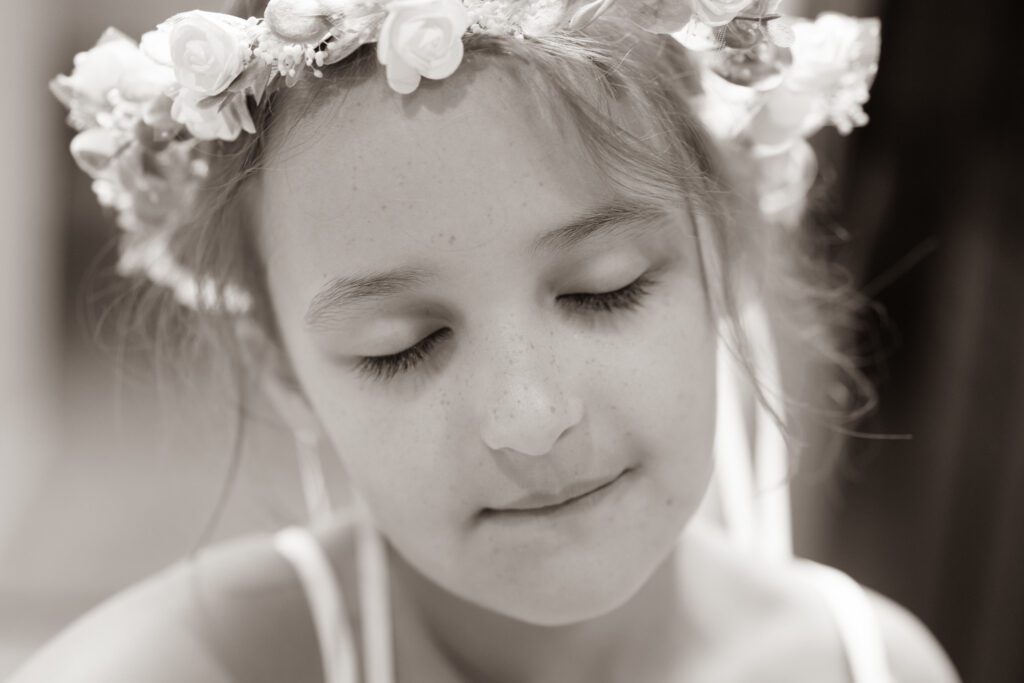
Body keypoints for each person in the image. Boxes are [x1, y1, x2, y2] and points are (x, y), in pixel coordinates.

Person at [12, 0, 960, 681]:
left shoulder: (867, 663)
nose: (531, 419)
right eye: (403, 346)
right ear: (282, 369)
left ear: (731, 242)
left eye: (605, 291)